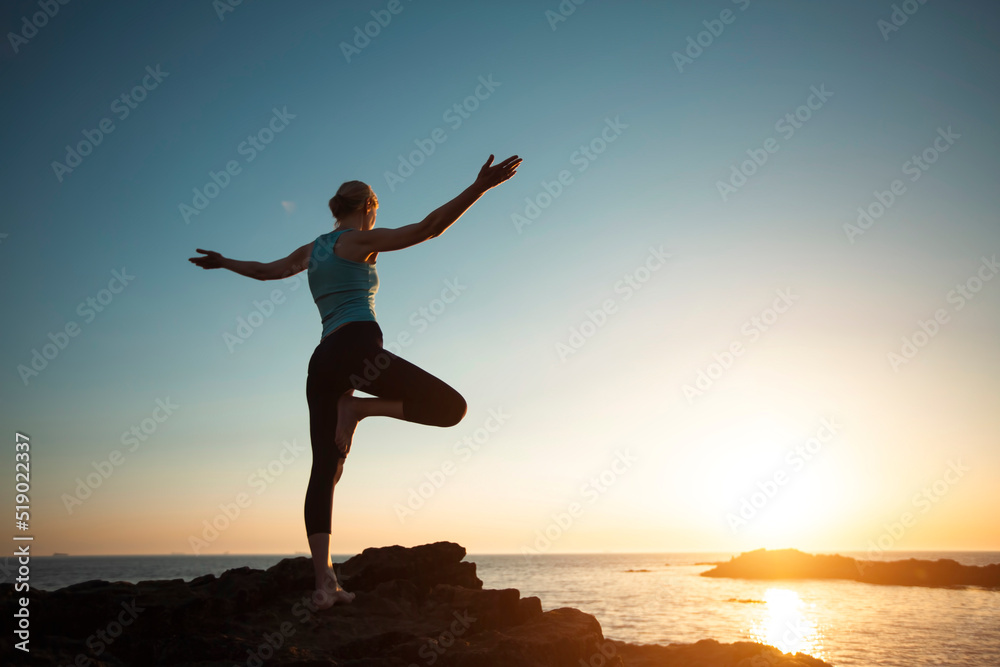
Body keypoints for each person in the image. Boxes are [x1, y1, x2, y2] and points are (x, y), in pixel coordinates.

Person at [189, 154, 522, 608]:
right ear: (369, 206)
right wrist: (479, 186)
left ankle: (323, 584)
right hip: (358, 351)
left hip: (322, 361)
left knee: (323, 468)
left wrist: (223, 261)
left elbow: (267, 272)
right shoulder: (358, 241)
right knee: (452, 409)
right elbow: (429, 228)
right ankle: (360, 408)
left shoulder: (311, 250)